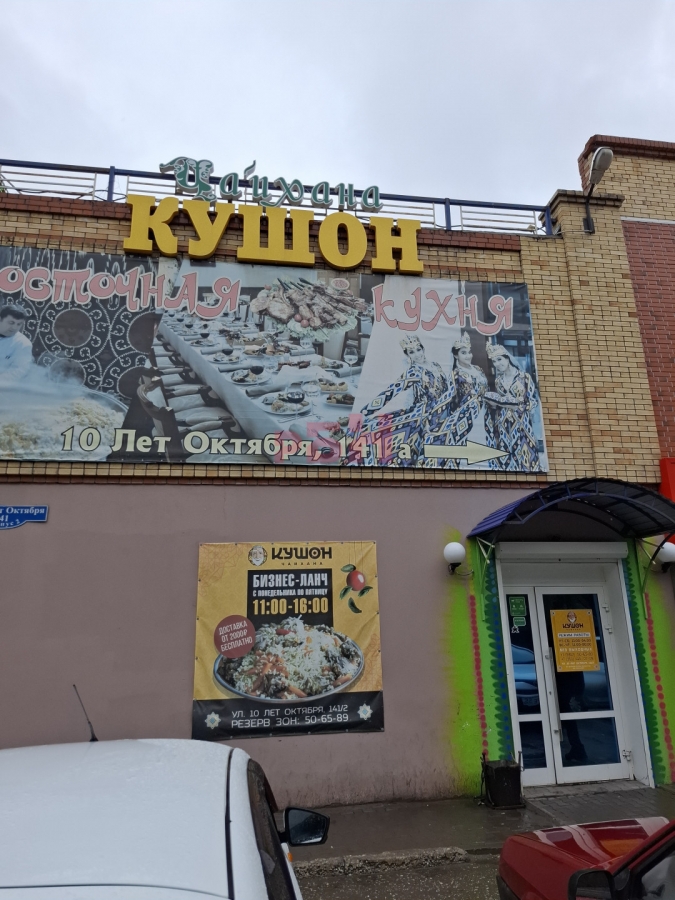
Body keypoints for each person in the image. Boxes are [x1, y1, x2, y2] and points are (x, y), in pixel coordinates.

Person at [355, 335, 451, 465]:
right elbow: (392, 391)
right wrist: (366, 411)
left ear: (423, 349)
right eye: (412, 352)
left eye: (418, 349)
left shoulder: (436, 366)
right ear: (408, 355)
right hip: (425, 413)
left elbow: (446, 388)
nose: (417, 354)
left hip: (444, 409)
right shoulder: (414, 372)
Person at [484, 341, 542, 472]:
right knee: (506, 457)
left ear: (507, 358)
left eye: (499, 359)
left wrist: (519, 407)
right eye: (494, 361)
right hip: (504, 424)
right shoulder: (498, 381)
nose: (497, 364)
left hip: (522, 423)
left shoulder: (524, 377)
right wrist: (494, 404)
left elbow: (534, 401)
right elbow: (500, 402)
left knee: (526, 456)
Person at [0, 305, 33, 383]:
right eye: (11, 323)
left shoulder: (23, 343)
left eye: (19, 324)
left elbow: (18, 371)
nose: (14, 327)